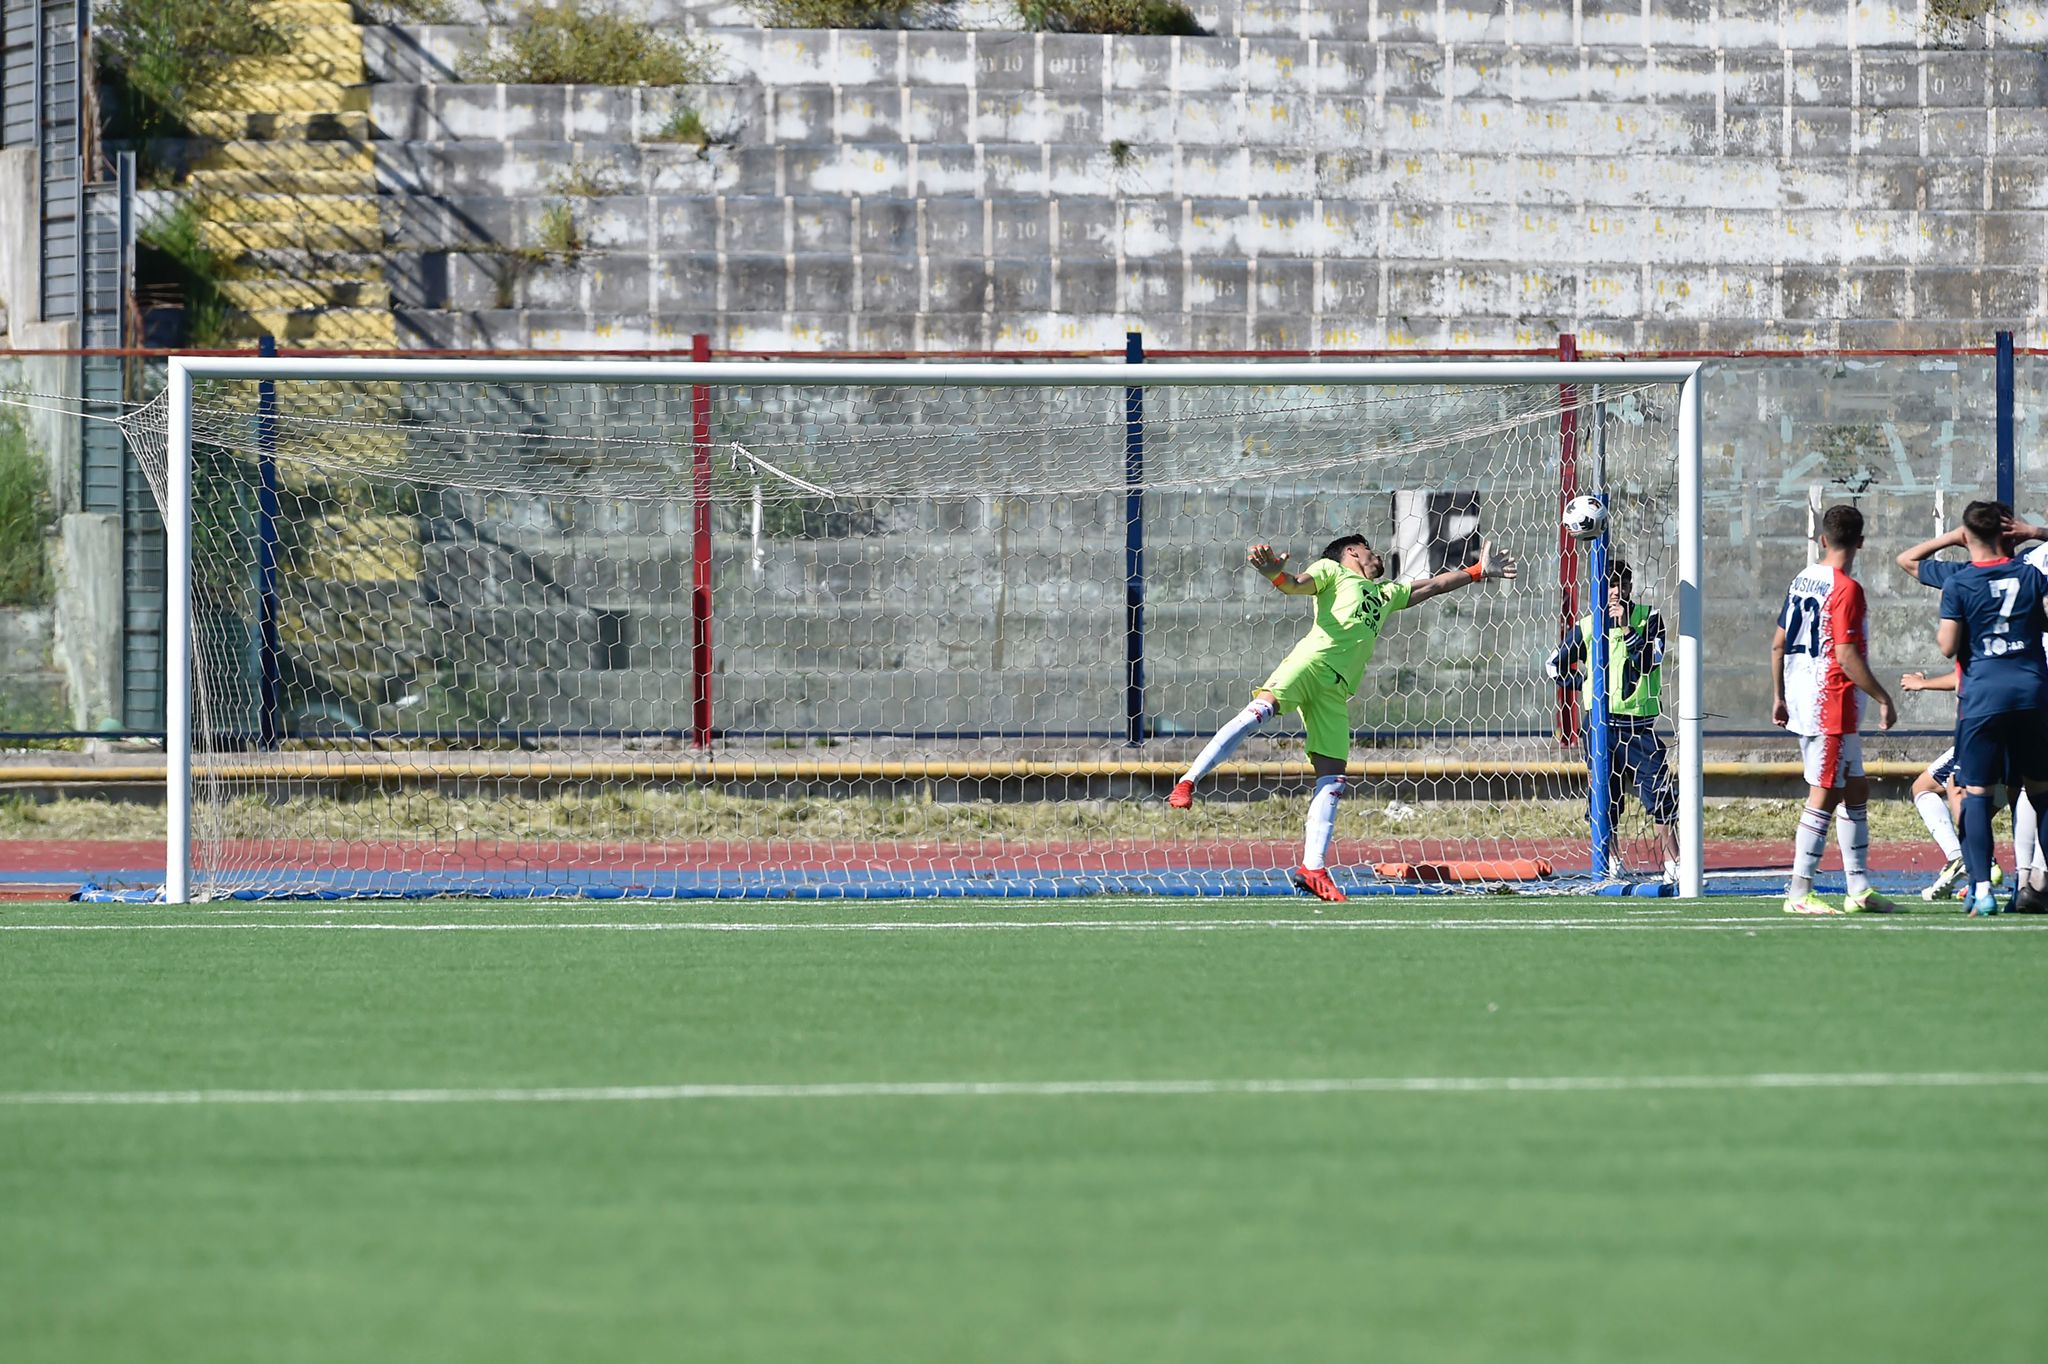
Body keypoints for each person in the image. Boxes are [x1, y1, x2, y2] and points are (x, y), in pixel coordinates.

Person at [1168, 533, 1518, 902]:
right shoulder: (1332, 571)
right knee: (1259, 713)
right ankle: (1189, 781)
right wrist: (1275, 573)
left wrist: (1478, 571)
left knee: (1333, 778)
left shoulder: (1385, 595)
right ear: (1352, 552)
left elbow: (1433, 585)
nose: (1377, 553)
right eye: (1370, 548)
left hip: (1335, 692)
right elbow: (1295, 584)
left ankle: (1313, 868)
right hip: (1310, 665)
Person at [1771, 504, 1898, 915]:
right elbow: (1845, 654)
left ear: (1822, 539)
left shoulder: (1802, 579)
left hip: (1813, 699)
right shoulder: (1846, 588)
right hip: (1830, 702)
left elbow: (1777, 642)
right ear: (1861, 541)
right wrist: (1883, 696)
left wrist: (1779, 695)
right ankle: (1798, 892)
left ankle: (1858, 888)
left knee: (1855, 787)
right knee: (1824, 794)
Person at [1932, 500, 2048, 915]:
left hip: (1983, 697)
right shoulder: (2031, 575)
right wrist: (2036, 533)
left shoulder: (1960, 583)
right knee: (2039, 792)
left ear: (1966, 537)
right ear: (2007, 534)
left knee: (1976, 793)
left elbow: (1947, 647)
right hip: (2032, 693)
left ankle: (1983, 890)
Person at [1545, 559, 1679, 883]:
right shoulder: (1589, 626)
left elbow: (1650, 660)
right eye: (1609, 585)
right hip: (1600, 727)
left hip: (1638, 725)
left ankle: (1675, 862)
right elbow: (1553, 665)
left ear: (1631, 587)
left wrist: (1626, 630)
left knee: (1660, 792)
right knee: (1605, 797)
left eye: (1621, 584)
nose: (1615, 592)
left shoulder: (1649, 619)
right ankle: (1611, 860)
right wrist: (1585, 685)